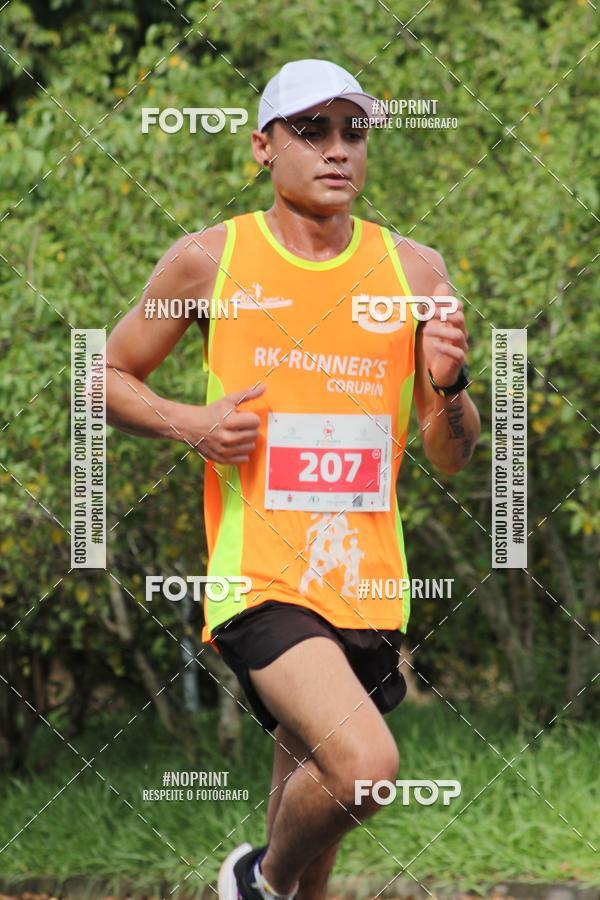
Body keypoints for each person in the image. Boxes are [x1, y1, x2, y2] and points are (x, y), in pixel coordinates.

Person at [105, 58, 480, 900]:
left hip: (366, 584)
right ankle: (254, 878)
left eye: (354, 131)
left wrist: (451, 384)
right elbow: (103, 376)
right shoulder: (211, 259)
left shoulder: (415, 271)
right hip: (261, 579)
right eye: (312, 131)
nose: (337, 148)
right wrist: (191, 422)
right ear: (263, 147)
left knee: (317, 841)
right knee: (366, 769)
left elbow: (451, 452)